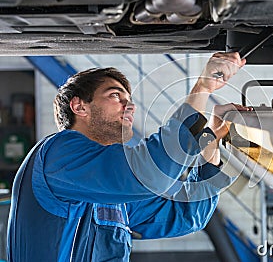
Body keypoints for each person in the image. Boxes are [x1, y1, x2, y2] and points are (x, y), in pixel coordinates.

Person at [7, 52, 250, 261]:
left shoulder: (112, 190)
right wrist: (203, 88)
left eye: (129, 100)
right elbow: (152, 172)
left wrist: (210, 143)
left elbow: (186, 216)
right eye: (115, 96)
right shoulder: (58, 154)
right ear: (79, 107)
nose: (129, 106)